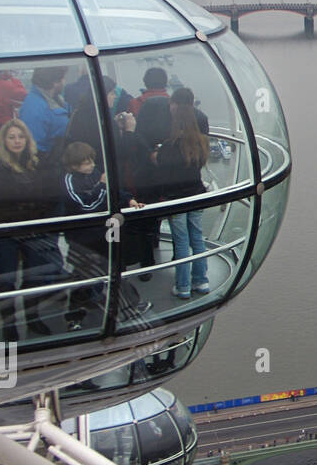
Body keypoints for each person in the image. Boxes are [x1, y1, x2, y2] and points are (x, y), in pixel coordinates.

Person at [0, 119, 63, 341]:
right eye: (12, 137)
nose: (16, 141)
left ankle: (33, 318)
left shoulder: (38, 162)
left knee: (35, 277)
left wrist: (47, 224)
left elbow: (51, 195)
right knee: (7, 279)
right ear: (3, 140)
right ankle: (9, 324)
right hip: (6, 231)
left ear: (27, 139)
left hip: (34, 230)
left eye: (20, 137)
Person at [58, 142, 145, 331]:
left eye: (91, 161)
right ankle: (75, 317)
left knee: (117, 269)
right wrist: (102, 187)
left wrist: (128, 199)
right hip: (83, 238)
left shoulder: (95, 174)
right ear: (73, 165)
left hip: (104, 233)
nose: (91, 165)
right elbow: (85, 205)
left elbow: (112, 192)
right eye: (85, 162)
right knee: (85, 277)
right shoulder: (69, 181)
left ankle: (129, 306)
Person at [151, 95, 211, 299]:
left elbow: (161, 166)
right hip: (196, 194)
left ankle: (183, 286)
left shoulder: (169, 146)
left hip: (176, 199)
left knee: (182, 241)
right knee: (197, 237)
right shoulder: (202, 142)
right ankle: (201, 281)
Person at [18, 66, 70, 160]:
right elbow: (34, 146)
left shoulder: (54, 99)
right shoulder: (34, 108)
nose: (64, 82)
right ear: (55, 82)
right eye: (63, 78)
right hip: (48, 163)